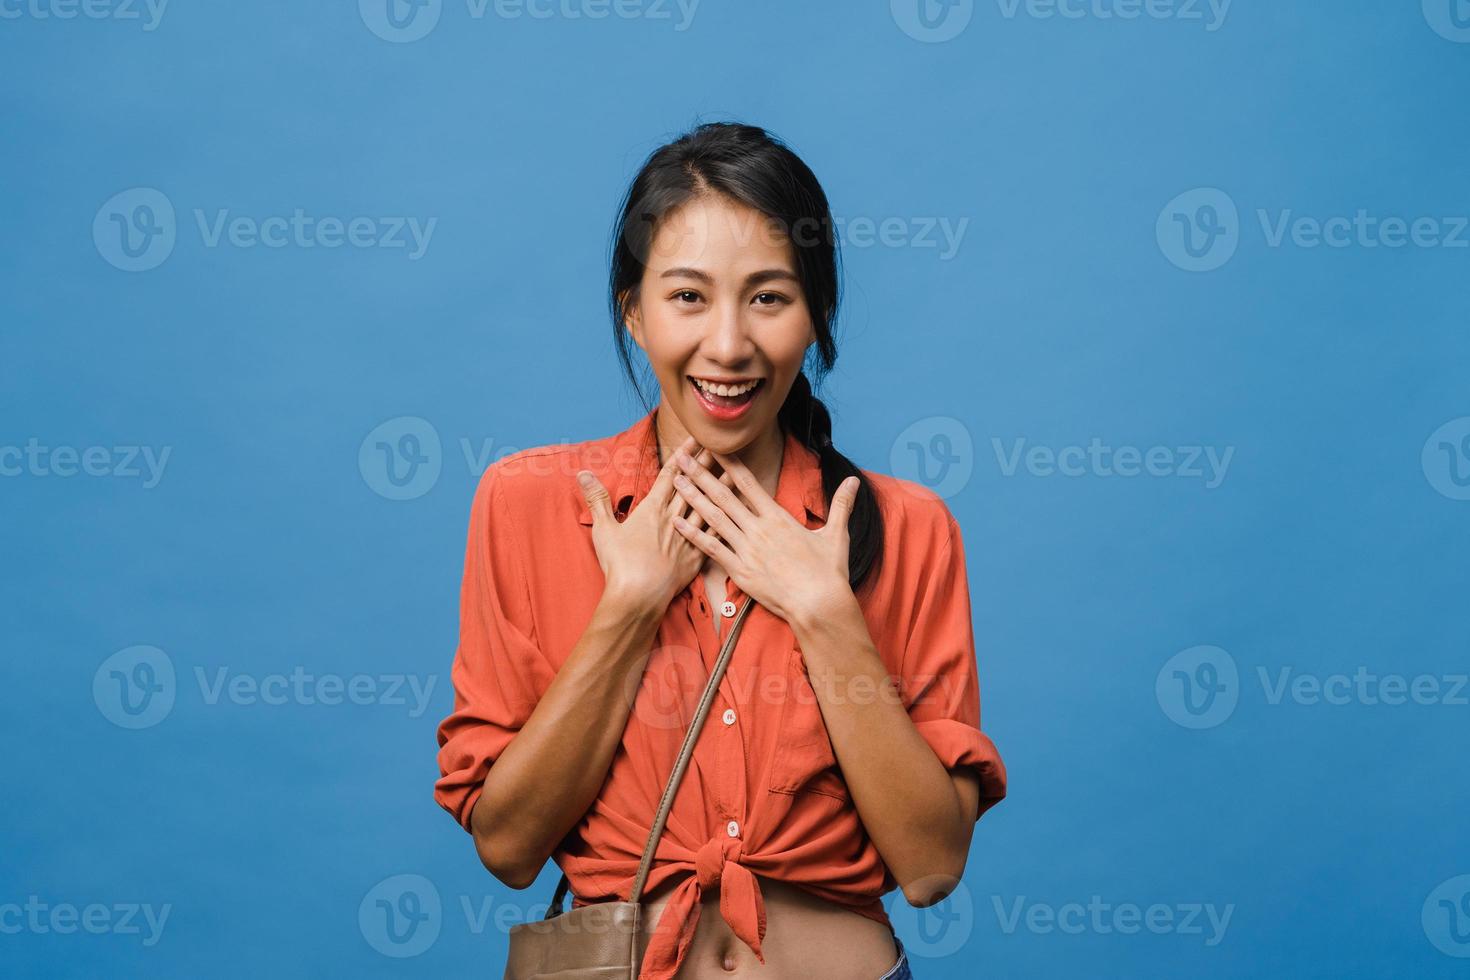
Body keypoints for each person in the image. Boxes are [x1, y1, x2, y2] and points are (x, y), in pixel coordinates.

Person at [435, 121, 1007, 980]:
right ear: (633, 310)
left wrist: (824, 614)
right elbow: (509, 848)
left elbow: (930, 867)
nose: (730, 346)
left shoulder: (910, 528)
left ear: (815, 316)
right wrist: (627, 609)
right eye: (689, 297)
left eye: (770, 298)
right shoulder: (526, 504)